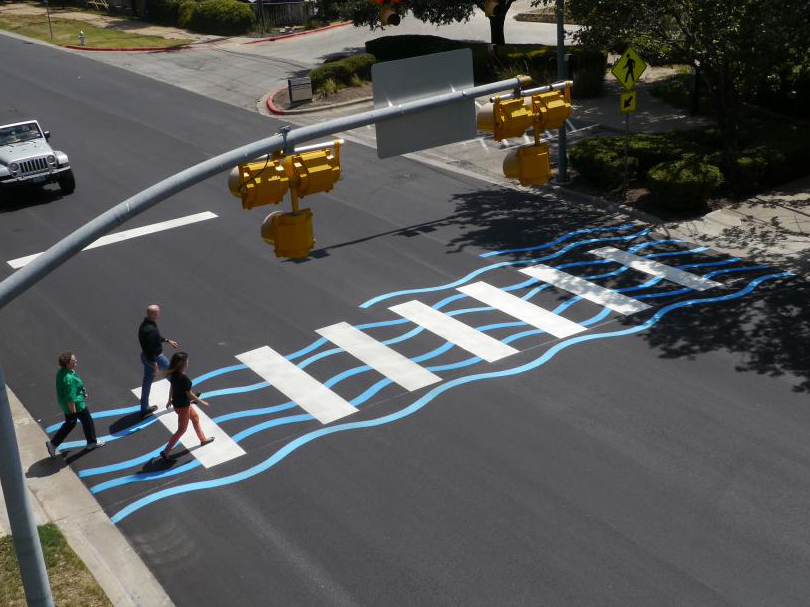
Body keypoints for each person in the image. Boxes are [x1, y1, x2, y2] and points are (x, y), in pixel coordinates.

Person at [46, 351, 105, 457]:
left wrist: (81, 392)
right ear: (68, 363)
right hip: (76, 406)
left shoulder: (62, 372)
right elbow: (70, 399)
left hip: (66, 405)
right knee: (87, 421)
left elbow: (71, 391)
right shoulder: (69, 379)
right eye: (74, 360)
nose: (76, 360)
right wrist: (74, 413)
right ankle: (92, 443)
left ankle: (53, 444)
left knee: (70, 423)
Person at [160, 352, 214, 461]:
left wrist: (169, 399)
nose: (188, 363)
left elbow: (173, 386)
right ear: (182, 364)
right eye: (187, 361)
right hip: (183, 407)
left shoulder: (173, 374)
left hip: (179, 404)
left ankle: (203, 439)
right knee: (181, 430)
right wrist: (202, 402)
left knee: (195, 418)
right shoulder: (184, 379)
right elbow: (189, 394)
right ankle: (166, 452)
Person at [138, 304, 178, 417]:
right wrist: (155, 365)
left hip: (145, 356)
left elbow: (156, 338)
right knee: (175, 376)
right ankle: (184, 397)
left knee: (147, 382)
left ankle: (144, 408)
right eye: (156, 313)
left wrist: (167, 340)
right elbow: (150, 348)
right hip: (155, 357)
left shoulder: (147, 325)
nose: (158, 315)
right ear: (151, 314)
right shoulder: (149, 329)